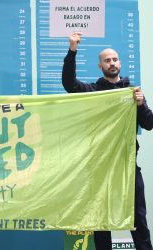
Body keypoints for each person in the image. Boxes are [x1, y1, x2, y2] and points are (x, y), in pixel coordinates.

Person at [62, 32, 153, 250]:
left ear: (119, 63)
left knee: (138, 219)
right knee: (102, 222)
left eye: (114, 59)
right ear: (100, 66)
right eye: (107, 60)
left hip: (127, 166)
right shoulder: (93, 92)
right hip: (100, 168)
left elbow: (149, 124)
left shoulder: (134, 93)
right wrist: (72, 50)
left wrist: (141, 105)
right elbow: (69, 84)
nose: (111, 63)